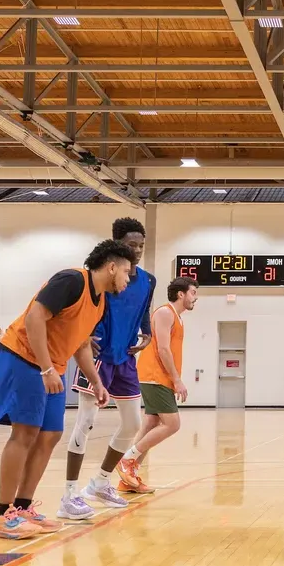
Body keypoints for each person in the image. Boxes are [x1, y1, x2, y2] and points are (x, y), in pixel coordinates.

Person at [0, 239, 134, 539]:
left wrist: (96, 381)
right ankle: (3, 516)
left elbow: (81, 344)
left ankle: (23, 506)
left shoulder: (100, 302)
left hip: (52, 367)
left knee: (51, 434)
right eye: (127, 272)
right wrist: (46, 368)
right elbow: (34, 317)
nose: (128, 279)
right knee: (25, 432)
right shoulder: (71, 280)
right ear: (111, 267)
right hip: (24, 358)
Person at [60, 218, 158, 518]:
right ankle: (69, 494)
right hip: (99, 354)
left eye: (141, 245)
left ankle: (100, 483)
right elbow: (85, 306)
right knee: (86, 421)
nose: (138, 251)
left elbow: (143, 311)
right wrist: (83, 333)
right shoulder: (102, 276)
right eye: (132, 245)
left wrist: (147, 333)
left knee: (132, 425)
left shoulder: (148, 280)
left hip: (126, 358)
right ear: (118, 246)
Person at [115, 276, 198, 491]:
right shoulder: (164, 313)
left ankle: (129, 479)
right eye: (193, 293)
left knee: (151, 424)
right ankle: (127, 460)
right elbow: (162, 349)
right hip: (154, 376)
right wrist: (177, 380)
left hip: (160, 378)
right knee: (172, 424)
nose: (195, 298)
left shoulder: (177, 317)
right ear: (181, 294)